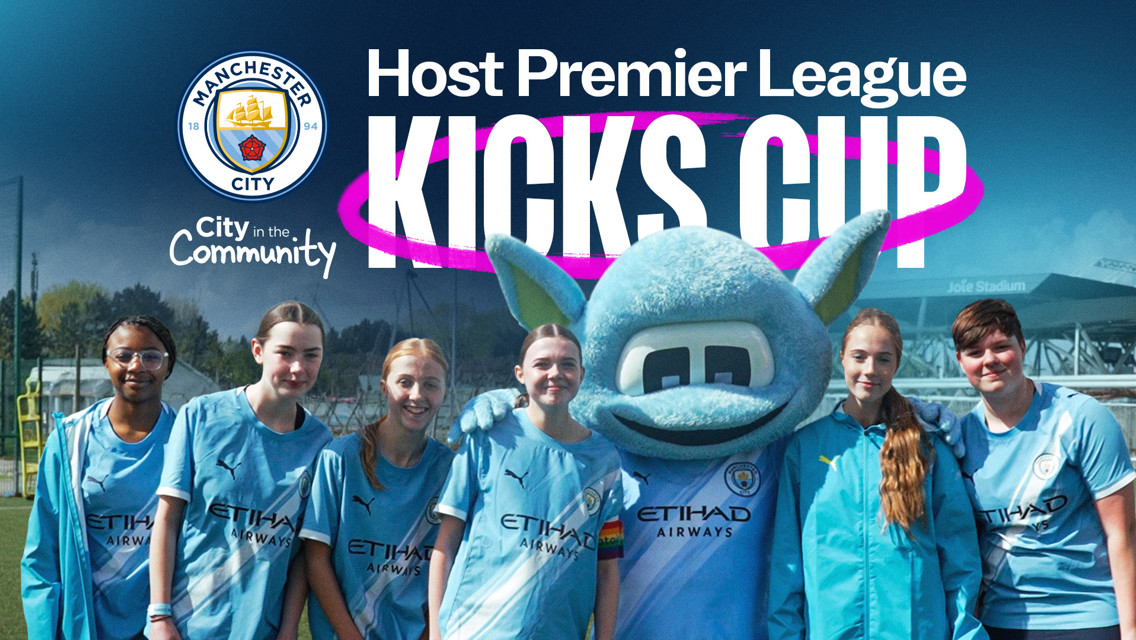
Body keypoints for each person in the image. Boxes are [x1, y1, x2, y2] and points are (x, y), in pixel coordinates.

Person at [769, 308, 986, 639]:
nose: (870, 370)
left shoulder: (928, 448)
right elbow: (787, 564)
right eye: (859, 357)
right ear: (841, 358)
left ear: (896, 365)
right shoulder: (804, 449)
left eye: (883, 359)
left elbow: (960, 557)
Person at [952, 298, 1136, 640]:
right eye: (975, 352)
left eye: (1001, 347)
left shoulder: (1083, 418)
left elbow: (1123, 535)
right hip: (1000, 622)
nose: (989, 360)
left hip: (1087, 616)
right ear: (960, 362)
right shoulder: (958, 440)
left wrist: (1131, 631)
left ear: (1022, 347)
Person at [148, 301, 332, 640]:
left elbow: (305, 553)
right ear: (258, 350)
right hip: (186, 628)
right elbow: (167, 519)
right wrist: (159, 615)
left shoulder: (323, 443)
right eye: (285, 352)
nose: (298, 368)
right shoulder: (201, 416)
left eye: (311, 355)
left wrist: (289, 628)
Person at [428, 323, 623, 640]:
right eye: (542, 363)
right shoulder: (487, 436)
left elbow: (607, 567)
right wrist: (436, 635)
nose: (555, 373)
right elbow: (445, 545)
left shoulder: (605, 460)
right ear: (520, 373)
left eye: (567, 364)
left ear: (582, 374)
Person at [22, 315, 179, 640]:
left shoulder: (190, 440)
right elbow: (41, 556)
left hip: (165, 626)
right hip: (85, 627)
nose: (136, 365)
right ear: (106, 364)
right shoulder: (69, 441)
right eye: (123, 355)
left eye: (151, 356)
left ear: (168, 366)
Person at [300, 338, 454, 640]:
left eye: (431, 385)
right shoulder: (340, 457)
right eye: (405, 382)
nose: (417, 395)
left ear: (445, 392)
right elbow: (316, 560)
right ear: (384, 387)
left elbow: (449, 570)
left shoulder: (450, 470)